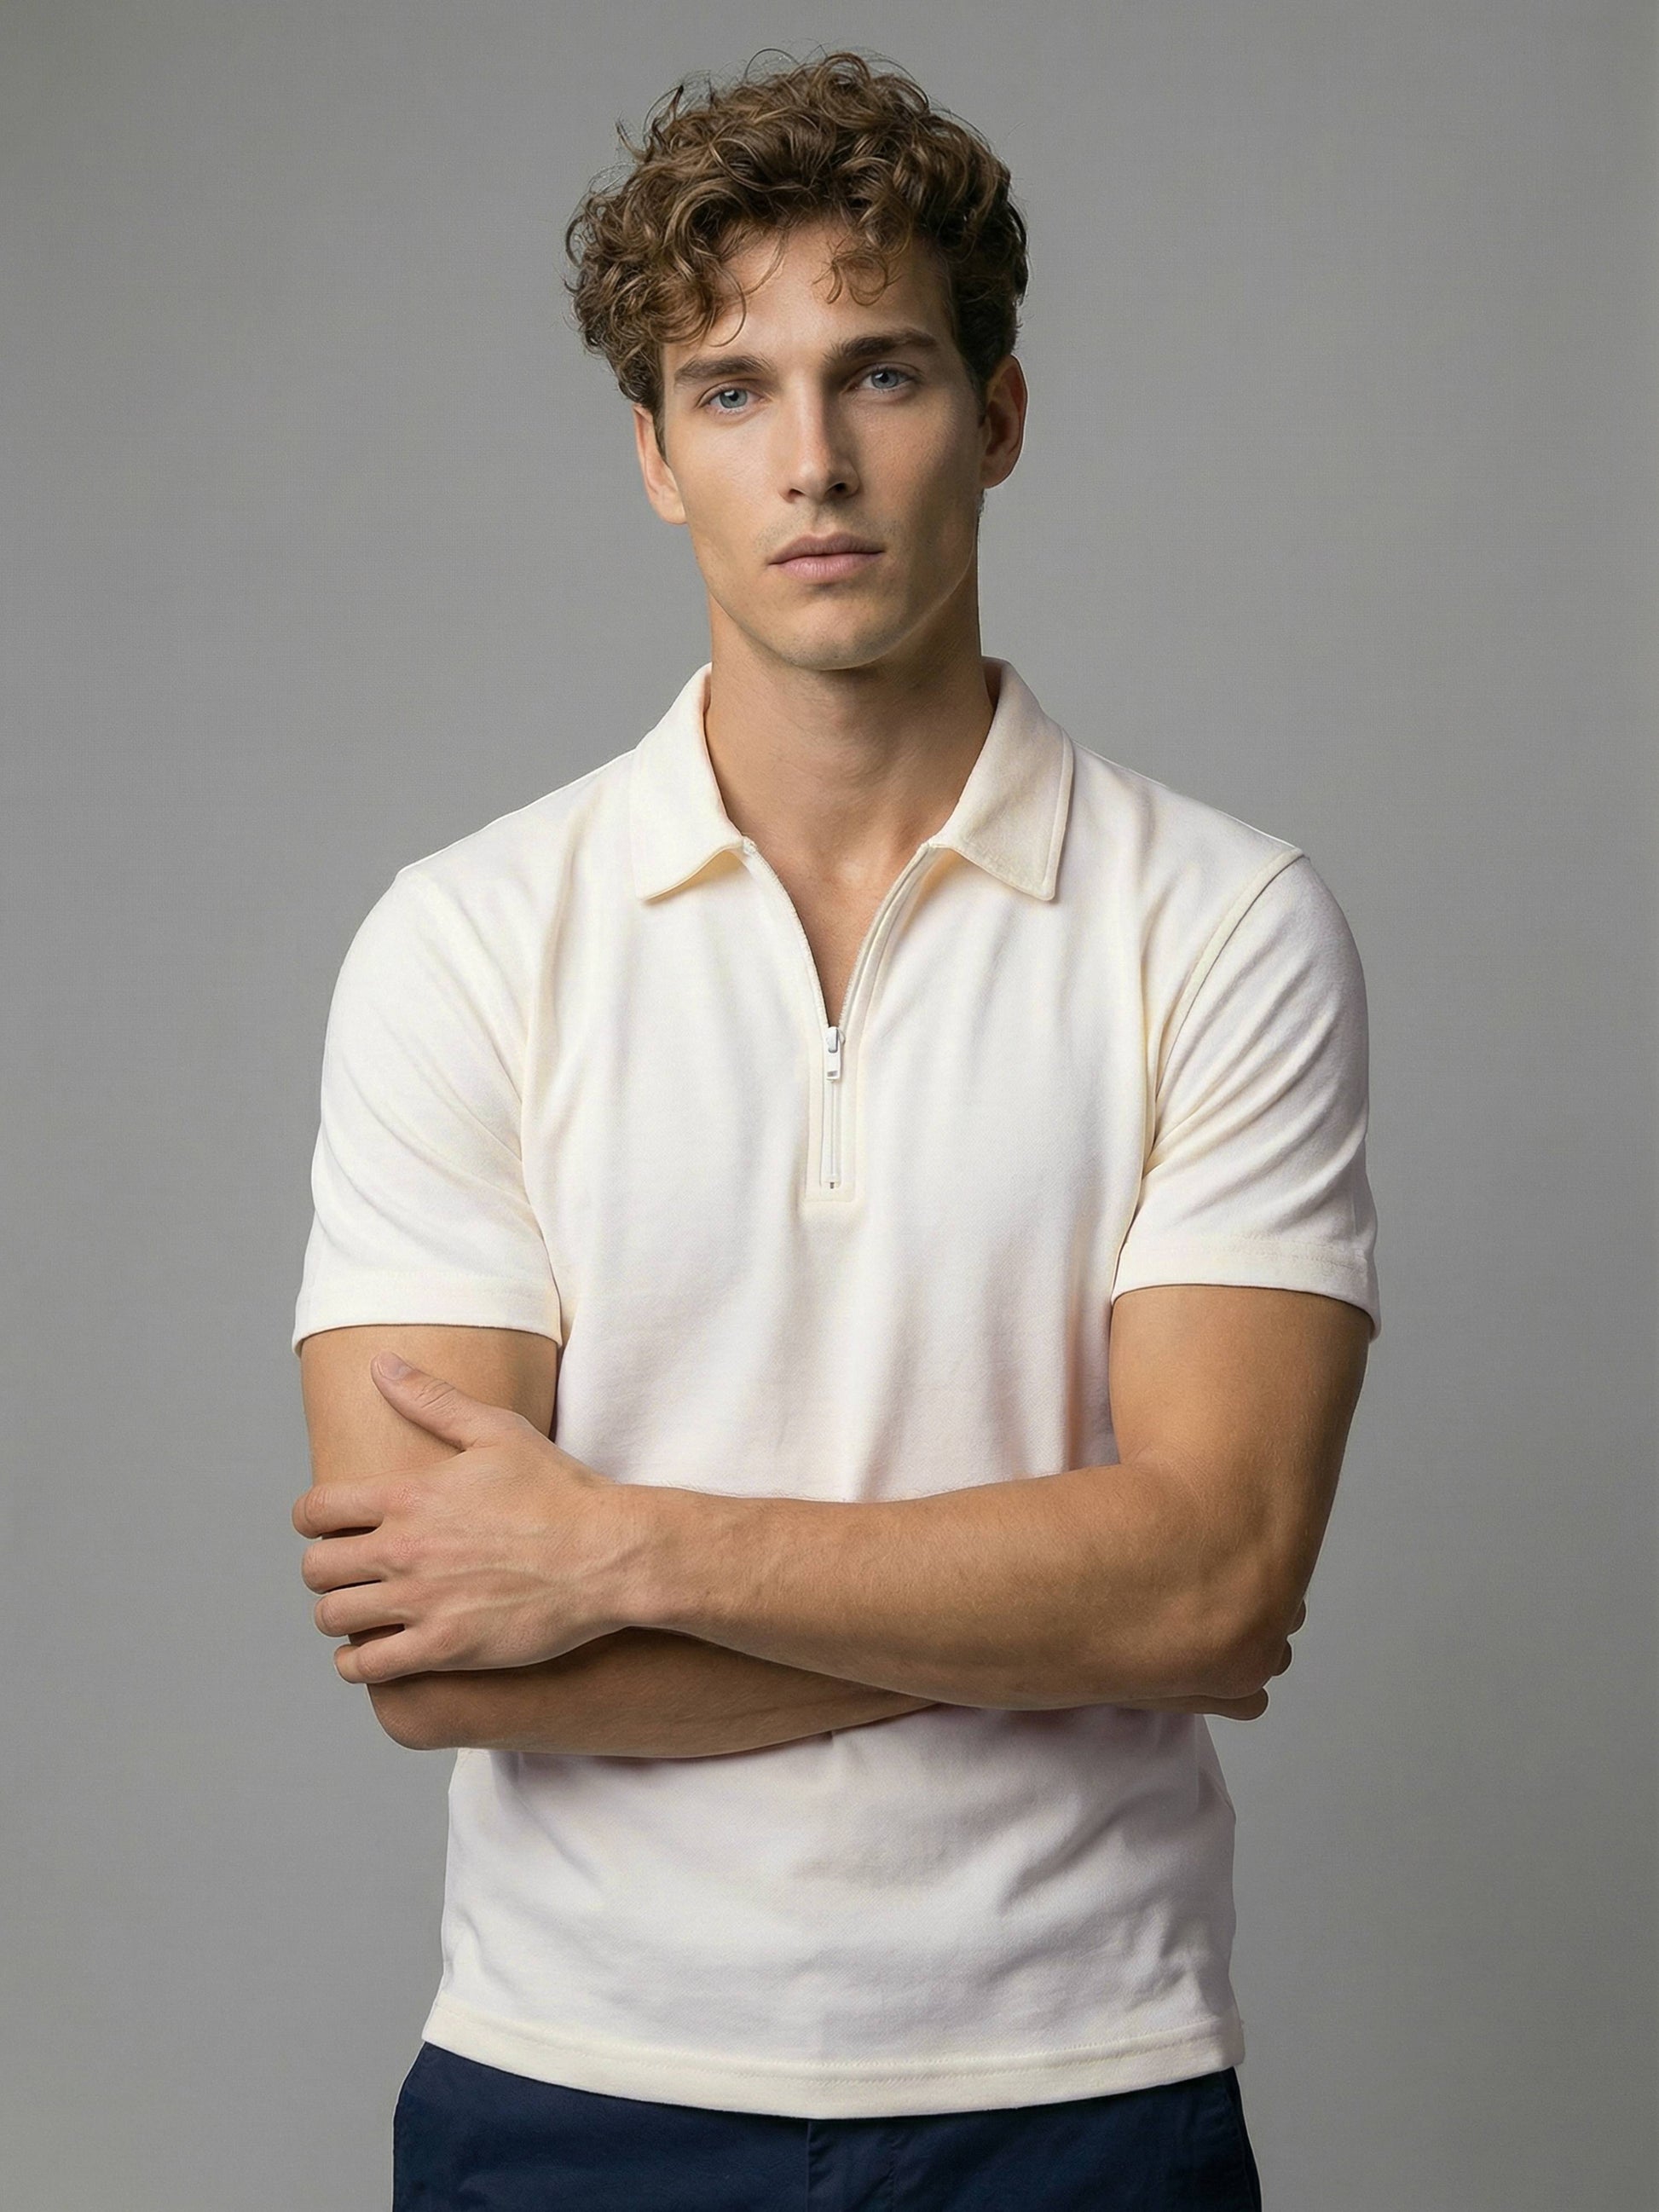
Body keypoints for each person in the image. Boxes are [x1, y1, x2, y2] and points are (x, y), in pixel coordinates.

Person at [291, 47, 1379, 2212]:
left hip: (1081, 2084)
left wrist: (614, 1551)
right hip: (568, 2088)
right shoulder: (465, 938)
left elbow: (1212, 1581)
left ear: (996, 414)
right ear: (653, 453)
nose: (812, 460)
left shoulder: (1220, 921)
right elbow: (432, 1650)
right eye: (731, 390)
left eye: (879, 371)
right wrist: (1038, 1602)